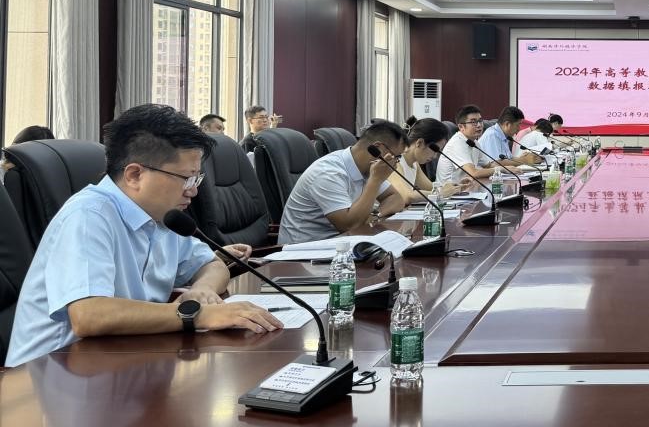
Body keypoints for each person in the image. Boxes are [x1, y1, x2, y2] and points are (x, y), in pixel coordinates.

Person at [5, 105, 282, 367]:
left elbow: (212, 264)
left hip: (119, 360)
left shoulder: (161, 216)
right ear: (135, 174)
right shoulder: (88, 216)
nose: (193, 191)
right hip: (48, 376)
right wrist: (197, 314)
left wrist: (203, 291)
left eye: (197, 179)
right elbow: (89, 315)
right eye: (186, 178)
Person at [278, 120, 409, 244]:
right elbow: (350, 227)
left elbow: (396, 199)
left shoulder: (367, 168)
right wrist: (375, 181)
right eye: (396, 157)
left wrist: (375, 215)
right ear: (377, 149)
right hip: (305, 250)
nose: (396, 163)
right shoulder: (328, 172)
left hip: (339, 243)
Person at [390, 118, 467, 203]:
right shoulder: (395, 160)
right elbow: (407, 196)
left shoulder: (414, 163)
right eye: (434, 150)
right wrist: (440, 194)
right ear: (419, 143)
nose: (435, 156)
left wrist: (456, 187)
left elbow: (431, 189)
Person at [435, 105, 497, 186]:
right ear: (461, 127)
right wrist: (499, 170)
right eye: (473, 122)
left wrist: (509, 168)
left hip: (466, 188)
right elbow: (473, 173)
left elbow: (488, 165)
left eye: (480, 120)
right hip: (449, 191)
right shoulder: (457, 143)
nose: (479, 125)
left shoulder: (474, 142)